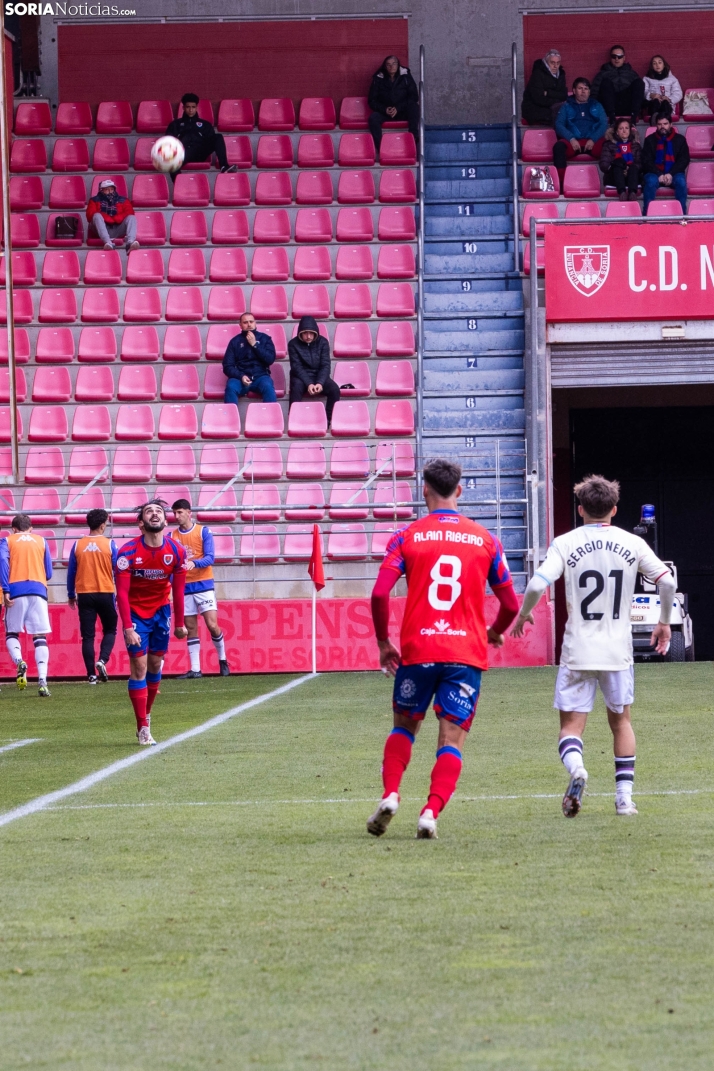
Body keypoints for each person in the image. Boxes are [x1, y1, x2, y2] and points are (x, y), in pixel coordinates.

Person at [366, 458, 519, 840]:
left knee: (404, 727)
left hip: (418, 650)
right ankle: (430, 812)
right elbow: (512, 605)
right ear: (460, 490)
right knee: (451, 740)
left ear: (424, 491)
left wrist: (384, 642)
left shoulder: (407, 536)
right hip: (464, 653)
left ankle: (390, 795)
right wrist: (495, 631)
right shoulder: (486, 539)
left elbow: (380, 592)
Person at [512, 475, 676, 818]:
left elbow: (537, 584)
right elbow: (667, 580)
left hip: (578, 651)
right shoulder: (631, 542)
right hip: (617, 651)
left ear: (580, 509)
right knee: (621, 723)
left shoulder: (565, 542)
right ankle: (624, 800)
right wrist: (663, 621)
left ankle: (578, 771)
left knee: (571, 728)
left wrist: (524, 614)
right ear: (614, 510)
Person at [115, 500, 187, 746]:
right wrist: (127, 627)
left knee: (156, 666)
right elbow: (121, 594)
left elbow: (178, 591)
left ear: (166, 522)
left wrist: (179, 623)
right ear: (141, 524)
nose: (155, 514)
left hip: (161, 612)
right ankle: (142, 727)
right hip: (135, 615)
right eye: (149, 512)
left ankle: (146, 714)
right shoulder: (126, 554)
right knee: (140, 667)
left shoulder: (177, 551)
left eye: (159, 512)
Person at [171, 499, 230, 680]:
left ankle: (223, 659)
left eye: (180, 512)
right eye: (175, 513)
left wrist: (193, 562)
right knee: (190, 627)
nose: (176, 516)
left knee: (212, 625)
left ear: (189, 513)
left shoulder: (203, 531)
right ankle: (196, 669)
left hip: (203, 584)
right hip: (184, 586)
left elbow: (210, 558)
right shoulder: (172, 536)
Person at [0, 513, 52, 696]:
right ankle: (43, 681)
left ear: (13, 529)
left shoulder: (7, 541)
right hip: (38, 589)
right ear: (31, 528)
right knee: (40, 637)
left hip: (15, 590)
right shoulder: (41, 541)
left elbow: (3, 564)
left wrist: (5, 589)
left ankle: (20, 661)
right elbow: (49, 572)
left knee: (12, 632)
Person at [67, 508, 118, 684]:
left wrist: (70, 594)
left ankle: (91, 675)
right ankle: (102, 660)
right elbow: (117, 571)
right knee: (110, 629)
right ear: (103, 524)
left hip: (85, 594)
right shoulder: (110, 544)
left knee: (88, 636)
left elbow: (71, 572)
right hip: (105, 592)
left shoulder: (77, 545)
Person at [288, 315, 341, 427]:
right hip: (300, 377)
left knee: (334, 389)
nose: (308, 336)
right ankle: (294, 420)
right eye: (305, 333)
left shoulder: (323, 342)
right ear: (300, 333)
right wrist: (309, 384)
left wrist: (320, 383)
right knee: (296, 388)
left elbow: (325, 365)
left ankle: (327, 420)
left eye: (311, 333)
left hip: (319, 375)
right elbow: (296, 367)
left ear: (315, 332)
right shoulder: (293, 344)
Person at [553, 78, 608, 185]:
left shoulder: (597, 105)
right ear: (574, 90)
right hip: (573, 142)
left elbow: (603, 124)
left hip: (593, 142)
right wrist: (571, 138)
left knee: (609, 147)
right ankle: (561, 183)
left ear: (589, 91)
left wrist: (593, 139)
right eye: (580, 88)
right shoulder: (566, 106)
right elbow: (559, 125)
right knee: (558, 147)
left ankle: (608, 183)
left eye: (586, 89)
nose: (583, 91)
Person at [166, 93, 236, 175]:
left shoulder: (205, 124)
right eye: (188, 107)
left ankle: (224, 166)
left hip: (200, 153)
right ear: (183, 108)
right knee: (172, 164)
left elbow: (211, 140)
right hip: (183, 153)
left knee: (218, 137)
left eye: (193, 107)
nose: (191, 110)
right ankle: (180, 184)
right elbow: (168, 142)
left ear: (196, 108)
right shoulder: (175, 124)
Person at [368, 54, 419, 154]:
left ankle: (413, 139)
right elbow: (371, 101)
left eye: (394, 63)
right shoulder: (378, 78)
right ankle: (381, 148)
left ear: (398, 65)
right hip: (385, 112)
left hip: (402, 111)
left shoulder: (406, 76)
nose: (392, 67)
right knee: (373, 118)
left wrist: (398, 108)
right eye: (388, 64)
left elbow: (414, 97)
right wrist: (385, 109)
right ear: (385, 66)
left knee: (414, 107)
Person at [222, 313, 277, 406]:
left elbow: (270, 359)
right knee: (231, 387)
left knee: (268, 386)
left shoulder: (265, 338)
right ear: (240, 325)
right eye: (245, 322)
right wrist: (241, 376)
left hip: (261, 376)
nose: (249, 325)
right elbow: (227, 366)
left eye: (251, 322)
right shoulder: (234, 341)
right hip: (241, 378)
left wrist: (255, 345)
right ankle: (230, 419)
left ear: (255, 323)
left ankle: (271, 419)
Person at [641, 114, 690, 215]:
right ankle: (646, 216)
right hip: (654, 173)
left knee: (681, 182)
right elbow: (646, 161)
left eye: (665, 124)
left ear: (671, 124)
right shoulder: (649, 140)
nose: (662, 127)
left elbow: (684, 160)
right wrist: (659, 174)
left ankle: (682, 216)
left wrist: (670, 174)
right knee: (650, 182)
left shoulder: (680, 140)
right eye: (659, 124)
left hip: (674, 173)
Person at [590, 45, 645, 125]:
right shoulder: (602, 73)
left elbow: (639, 93)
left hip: (627, 105)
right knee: (606, 83)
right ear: (610, 57)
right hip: (610, 106)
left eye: (619, 56)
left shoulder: (631, 73)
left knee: (639, 82)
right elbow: (594, 92)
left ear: (624, 58)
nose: (616, 59)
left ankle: (633, 118)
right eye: (614, 56)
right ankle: (612, 119)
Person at [86, 179, 138, 252]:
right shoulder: (94, 200)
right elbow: (90, 215)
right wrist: (108, 218)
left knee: (131, 217)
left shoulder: (123, 200)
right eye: (107, 190)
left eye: (111, 189)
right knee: (96, 216)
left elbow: (129, 211)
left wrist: (116, 218)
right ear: (101, 190)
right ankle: (108, 243)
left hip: (117, 227)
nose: (110, 192)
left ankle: (130, 242)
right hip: (101, 228)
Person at [521, 49, 568, 126]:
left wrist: (548, 93)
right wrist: (557, 101)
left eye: (558, 63)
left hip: (553, 108)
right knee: (560, 117)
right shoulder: (537, 74)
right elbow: (538, 99)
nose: (555, 66)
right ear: (546, 62)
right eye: (552, 63)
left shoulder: (561, 74)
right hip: (535, 109)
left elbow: (564, 95)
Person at [599, 118, 642, 200]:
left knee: (633, 167)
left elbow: (640, 163)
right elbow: (604, 164)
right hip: (614, 177)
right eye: (621, 128)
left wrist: (628, 168)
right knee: (618, 162)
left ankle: (632, 193)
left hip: (632, 177)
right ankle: (622, 192)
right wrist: (618, 165)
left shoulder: (635, 145)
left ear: (630, 130)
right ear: (617, 132)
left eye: (626, 128)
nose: (624, 131)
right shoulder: (608, 145)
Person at [643, 55, 682, 123]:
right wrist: (651, 95)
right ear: (652, 66)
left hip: (667, 104)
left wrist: (669, 99)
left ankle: (665, 122)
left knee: (665, 103)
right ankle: (654, 121)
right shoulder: (647, 78)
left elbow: (678, 93)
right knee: (655, 102)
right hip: (653, 103)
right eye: (654, 63)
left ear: (664, 65)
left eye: (659, 62)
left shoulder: (672, 79)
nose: (657, 65)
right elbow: (643, 91)